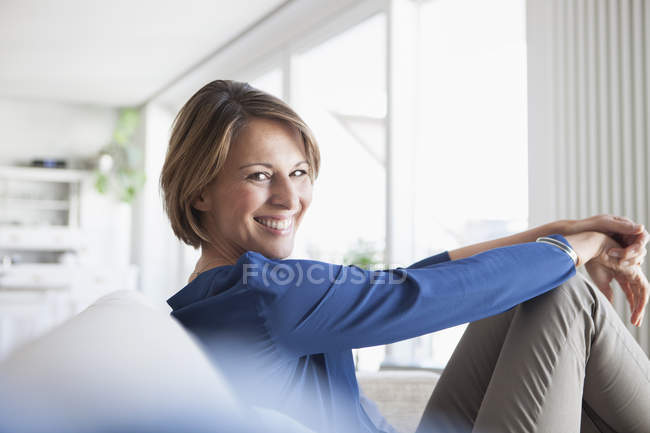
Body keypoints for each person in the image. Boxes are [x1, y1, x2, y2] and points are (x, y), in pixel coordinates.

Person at [160, 80, 650, 433]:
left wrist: (553, 234)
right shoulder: (263, 293)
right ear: (200, 190)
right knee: (564, 291)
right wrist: (577, 248)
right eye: (260, 175)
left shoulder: (216, 300)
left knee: (547, 281)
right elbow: (421, 295)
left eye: (301, 172)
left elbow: (402, 281)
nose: (291, 198)